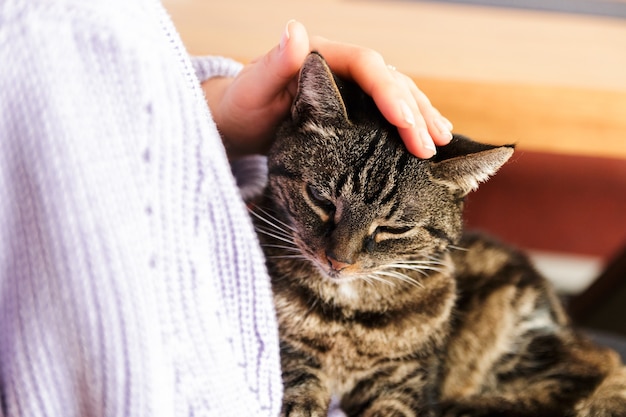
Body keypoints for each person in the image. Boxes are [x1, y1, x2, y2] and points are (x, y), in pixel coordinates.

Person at [0, 0, 452, 416]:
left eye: (386, 231)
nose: (340, 255)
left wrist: (216, 116)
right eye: (322, 203)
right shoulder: (35, 29)